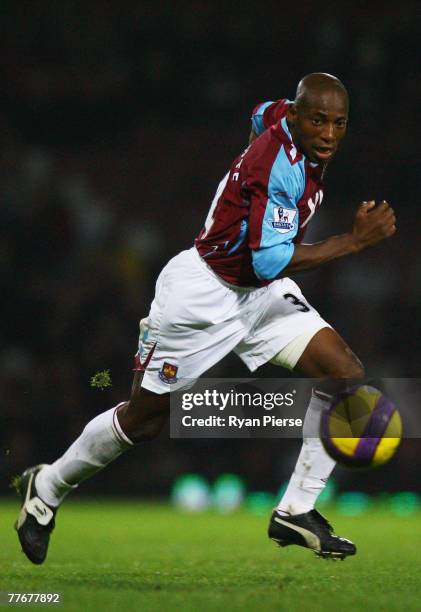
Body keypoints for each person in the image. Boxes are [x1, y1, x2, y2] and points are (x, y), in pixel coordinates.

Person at [15, 73, 396, 564]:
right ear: (299, 116)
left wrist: (241, 195)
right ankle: (45, 487)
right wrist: (355, 241)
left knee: (345, 373)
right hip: (204, 297)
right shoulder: (281, 167)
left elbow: (257, 113)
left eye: (338, 123)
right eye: (318, 121)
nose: (328, 133)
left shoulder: (281, 117)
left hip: (260, 296)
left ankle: (295, 511)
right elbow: (266, 261)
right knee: (144, 420)